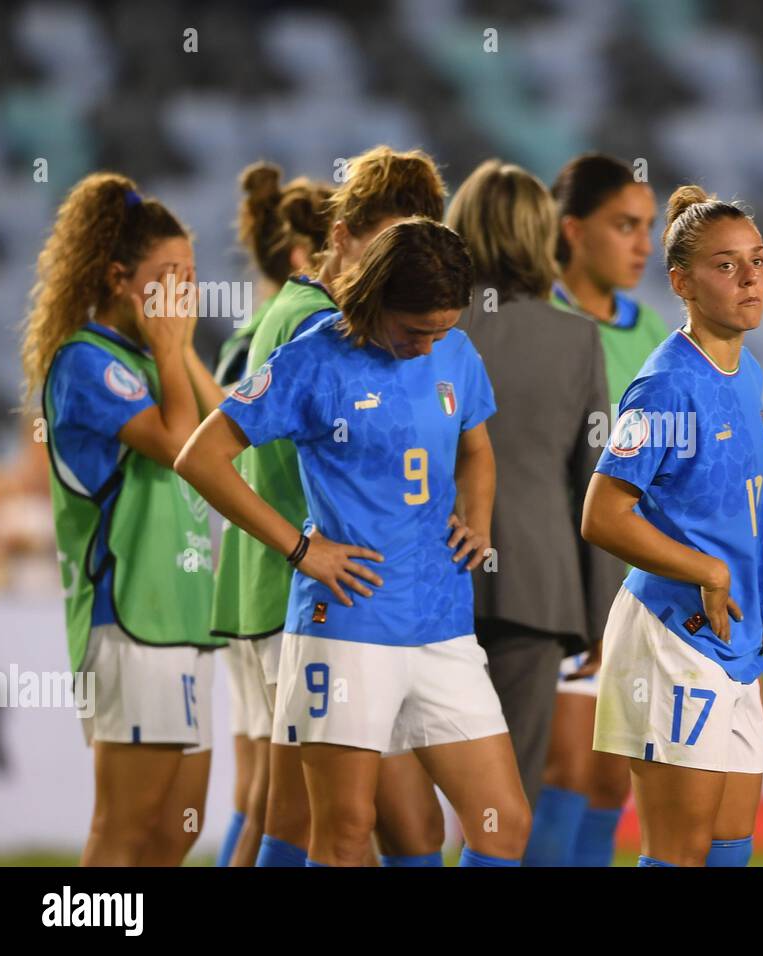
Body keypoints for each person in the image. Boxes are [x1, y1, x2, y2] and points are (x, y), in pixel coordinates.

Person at [175, 218, 531, 867]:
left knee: (503, 823)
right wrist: (301, 550)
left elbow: (477, 449)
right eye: (414, 330)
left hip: (443, 626)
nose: (428, 347)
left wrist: (477, 518)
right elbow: (200, 458)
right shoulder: (312, 358)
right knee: (340, 833)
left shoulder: (455, 351)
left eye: (441, 329)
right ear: (372, 298)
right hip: (346, 627)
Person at [218, 145, 449, 866]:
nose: (403, 270)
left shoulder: (306, 312)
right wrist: (302, 549)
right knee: (324, 825)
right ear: (342, 235)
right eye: (390, 246)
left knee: (337, 821)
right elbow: (214, 450)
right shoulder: (319, 326)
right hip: (317, 603)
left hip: (314, 599)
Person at [582, 185, 763, 867]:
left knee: (730, 849)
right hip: (672, 639)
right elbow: (602, 514)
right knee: (677, 854)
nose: (751, 277)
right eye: (727, 265)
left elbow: (732, 513)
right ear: (682, 283)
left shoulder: (747, 370)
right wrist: (705, 571)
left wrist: (760, 603)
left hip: (732, 638)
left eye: (757, 260)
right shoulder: (666, 384)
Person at [24, 173, 224, 865]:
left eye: (192, 277)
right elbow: (181, 448)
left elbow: (229, 429)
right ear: (117, 278)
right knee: (123, 830)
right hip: (133, 619)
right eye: (168, 277)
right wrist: (172, 350)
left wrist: (180, 348)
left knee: (178, 832)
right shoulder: (87, 360)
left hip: (188, 619)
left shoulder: (155, 360)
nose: (183, 294)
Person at [447, 159, 622, 811]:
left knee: (399, 787)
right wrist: (604, 614)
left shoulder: (430, 327)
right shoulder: (577, 339)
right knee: (507, 791)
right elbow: (594, 481)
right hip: (538, 588)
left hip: (429, 573)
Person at [525, 152, 667, 866]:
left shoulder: (656, 342)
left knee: (613, 777)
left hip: (631, 588)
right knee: (565, 770)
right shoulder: (533, 321)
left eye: (649, 227)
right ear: (573, 230)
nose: (644, 243)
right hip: (552, 579)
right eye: (625, 225)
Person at [214, 160, 331, 868]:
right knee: (303, 803)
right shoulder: (308, 324)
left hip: (248, 576)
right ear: (306, 254)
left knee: (260, 792)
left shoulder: (258, 326)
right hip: (285, 571)